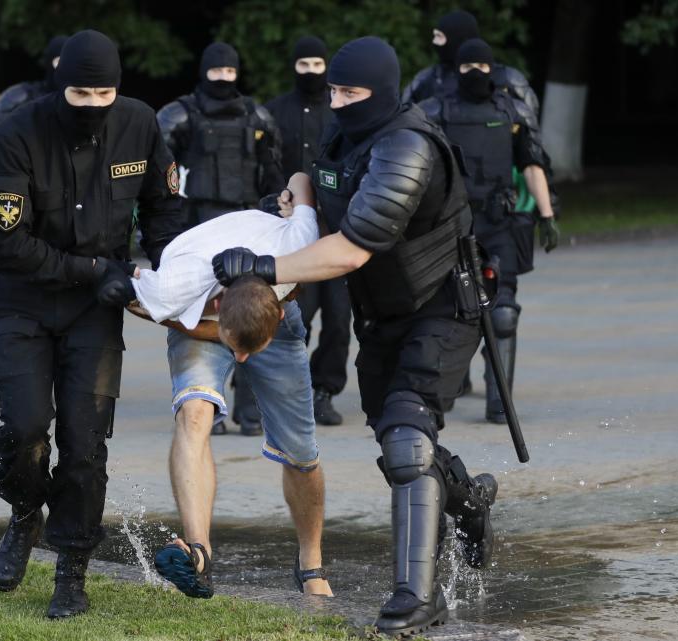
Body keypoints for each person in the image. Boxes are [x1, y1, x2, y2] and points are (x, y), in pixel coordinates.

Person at [212, 37, 499, 637]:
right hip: (384, 315)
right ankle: (469, 501)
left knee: (406, 440)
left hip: (441, 309)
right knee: (398, 434)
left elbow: (350, 249)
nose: (339, 101)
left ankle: (415, 599)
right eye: (335, 90)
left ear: (383, 92)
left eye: (352, 92)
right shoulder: (351, 134)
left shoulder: (407, 146)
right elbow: (320, 174)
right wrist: (295, 193)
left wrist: (262, 267)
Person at [0, 30, 183, 619]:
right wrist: (95, 269)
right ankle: (24, 515)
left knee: (87, 448)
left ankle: (72, 570)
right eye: (81, 92)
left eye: (104, 92)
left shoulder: (140, 124)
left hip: (95, 313)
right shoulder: (15, 131)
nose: (93, 104)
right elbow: (4, 243)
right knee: (25, 431)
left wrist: (169, 275)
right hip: (24, 302)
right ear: (58, 84)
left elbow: (164, 208)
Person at [128, 172, 332, 598]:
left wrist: (290, 192)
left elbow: (302, 178)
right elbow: (138, 302)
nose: (242, 362)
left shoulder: (297, 247)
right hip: (194, 309)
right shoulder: (175, 284)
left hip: (259, 304)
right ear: (218, 307)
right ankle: (197, 553)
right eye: (237, 351)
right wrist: (197, 323)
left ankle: (311, 564)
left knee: (300, 450)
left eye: (248, 352)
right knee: (195, 412)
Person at [420, 39, 558, 424]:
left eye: (483, 66)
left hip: (499, 224)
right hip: (452, 226)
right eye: (467, 67)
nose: (475, 74)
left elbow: (531, 164)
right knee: (447, 310)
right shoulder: (435, 110)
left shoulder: (510, 109)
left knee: (503, 315)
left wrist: (546, 215)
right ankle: (439, 394)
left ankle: (500, 401)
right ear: (456, 70)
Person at [157, 41, 283, 436]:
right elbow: (161, 169)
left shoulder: (255, 114)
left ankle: (251, 409)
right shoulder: (181, 114)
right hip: (201, 227)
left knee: (254, 314)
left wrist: (276, 215)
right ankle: (208, 402)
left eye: (230, 72)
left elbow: (273, 168)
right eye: (217, 72)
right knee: (205, 316)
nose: (223, 79)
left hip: (249, 225)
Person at [264, 35, 349, 426]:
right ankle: (283, 390)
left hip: (339, 230)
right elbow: (263, 165)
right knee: (295, 312)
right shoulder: (273, 112)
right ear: (293, 66)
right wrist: (272, 202)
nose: (312, 72)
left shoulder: (341, 112)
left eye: (318, 65)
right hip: (290, 229)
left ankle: (324, 391)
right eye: (304, 65)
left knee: (338, 317)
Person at [402, 9, 539, 118]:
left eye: (439, 36)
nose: (434, 42)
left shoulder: (508, 79)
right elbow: (405, 118)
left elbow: (529, 121)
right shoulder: (427, 79)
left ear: (456, 38)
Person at [0, 35, 67, 133]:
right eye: (59, 61)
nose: (64, 66)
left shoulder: (80, 99)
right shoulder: (19, 97)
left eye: (68, 62)